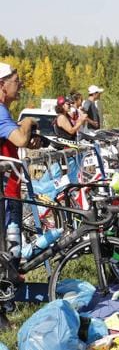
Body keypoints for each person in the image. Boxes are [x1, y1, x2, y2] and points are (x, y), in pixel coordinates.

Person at [0, 63, 42, 282]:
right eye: (16, 81)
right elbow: (20, 139)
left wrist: (30, 137)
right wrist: (27, 121)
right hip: (5, 193)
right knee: (10, 250)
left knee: (11, 250)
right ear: (2, 85)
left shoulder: (4, 111)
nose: (21, 85)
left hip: (11, 189)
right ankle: (5, 306)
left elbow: (17, 142)